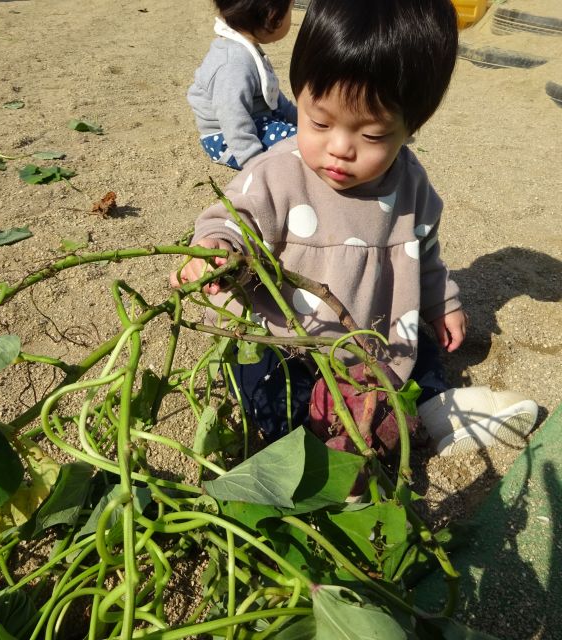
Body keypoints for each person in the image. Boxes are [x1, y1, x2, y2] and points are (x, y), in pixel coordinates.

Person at [173, 0, 538, 457]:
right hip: (288, 337)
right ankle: (316, 440)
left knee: (419, 356)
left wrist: (443, 302)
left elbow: (426, 252)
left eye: (372, 136)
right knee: (265, 386)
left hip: (374, 338)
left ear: (412, 126)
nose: (339, 148)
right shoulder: (275, 173)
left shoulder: (411, 184)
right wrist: (213, 248)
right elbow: (230, 218)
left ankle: (431, 408)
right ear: (299, 95)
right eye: (319, 121)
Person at [187, 0, 298, 170]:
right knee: (300, 144)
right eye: (290, 9)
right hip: (228, 140)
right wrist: (254, 163)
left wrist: (304, 121)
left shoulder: (245, 49)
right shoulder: (233, 63)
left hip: (255, 121)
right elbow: (232, 117)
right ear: (272, 16)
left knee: (309, 136)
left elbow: (274, 97)